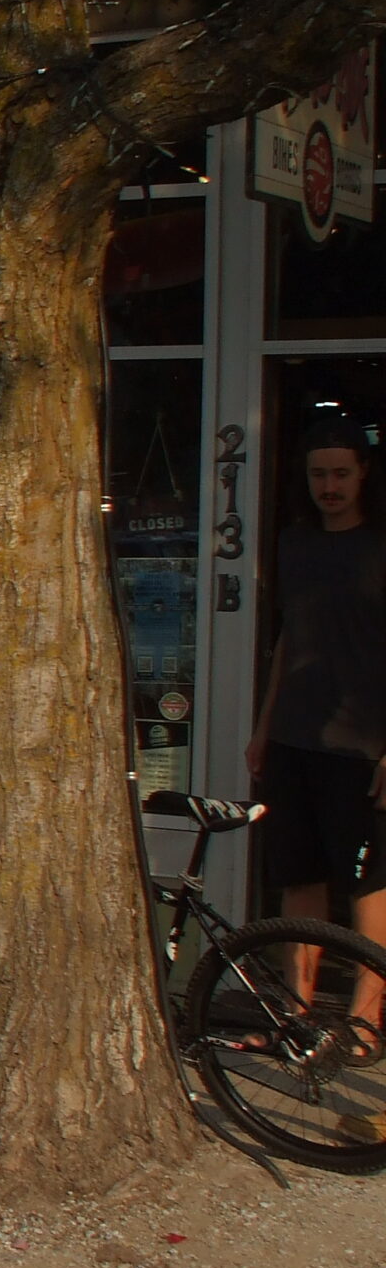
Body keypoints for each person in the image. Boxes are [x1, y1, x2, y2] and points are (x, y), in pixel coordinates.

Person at [247, 419, 386, 1026]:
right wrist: (262, 727)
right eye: (318, 474)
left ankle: (364, 1018)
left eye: (340, 473)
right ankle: (296, 1014)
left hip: (362, 746)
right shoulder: (295, 546)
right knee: (297, 877)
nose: (328, 486)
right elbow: (287, 642)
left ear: (363, 475)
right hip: (292, 739)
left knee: (365, 884)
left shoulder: (380, 547)